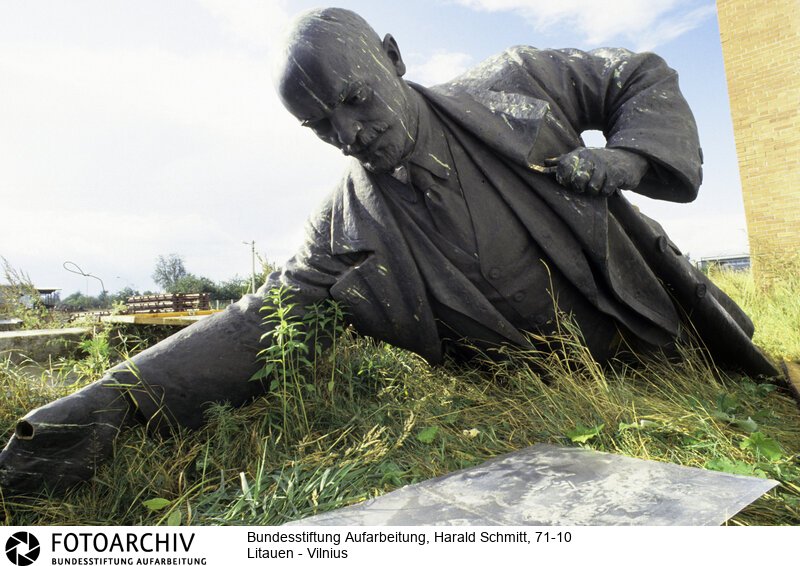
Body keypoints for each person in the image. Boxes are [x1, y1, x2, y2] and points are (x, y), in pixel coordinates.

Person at [0, 8, 777, 494]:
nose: (349, 134)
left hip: (675, 351)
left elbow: (636, 70)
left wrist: (632, 160)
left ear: (395, 59)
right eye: (322, 127)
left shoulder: (522, 85)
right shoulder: (342, 229)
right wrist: (114, 395)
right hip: (557, 419)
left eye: (356, 100)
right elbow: (255, 324)